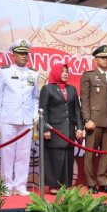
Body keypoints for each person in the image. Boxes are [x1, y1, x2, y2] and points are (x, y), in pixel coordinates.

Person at [0, 39, 39, 196]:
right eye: (21, 53)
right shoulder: (4, 72)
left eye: (26, 53)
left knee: (24, 154)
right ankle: (6, 185)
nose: (24, 56)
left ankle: (20, 185)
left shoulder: (33, 73)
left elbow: (35, 97)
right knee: (7, 153)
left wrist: (34, 115)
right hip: (8, 118)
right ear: (14, 55)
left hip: (26, 120)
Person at [80, 45, 107, 194]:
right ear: (95, 59)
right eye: (102, 57)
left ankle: (103, 182)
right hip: (94, 121)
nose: (105, 60)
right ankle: (90, 183)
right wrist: (86, 119)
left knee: (106, 153)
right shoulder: (88, 75)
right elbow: (84, 100)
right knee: (90, 153)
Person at [39, 63, 83, 194]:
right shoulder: (47, 89)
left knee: (68, 158)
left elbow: (77, 110)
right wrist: (45, 129)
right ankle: (53, 185)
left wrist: (79, 127)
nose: (65, 73)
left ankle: (65, 185)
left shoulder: (72, 89)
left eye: (66, 71)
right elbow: (43, 110)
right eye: (62, 71)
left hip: (68, 130)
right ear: (56, 72)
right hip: (54, 130)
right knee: (55, 158)